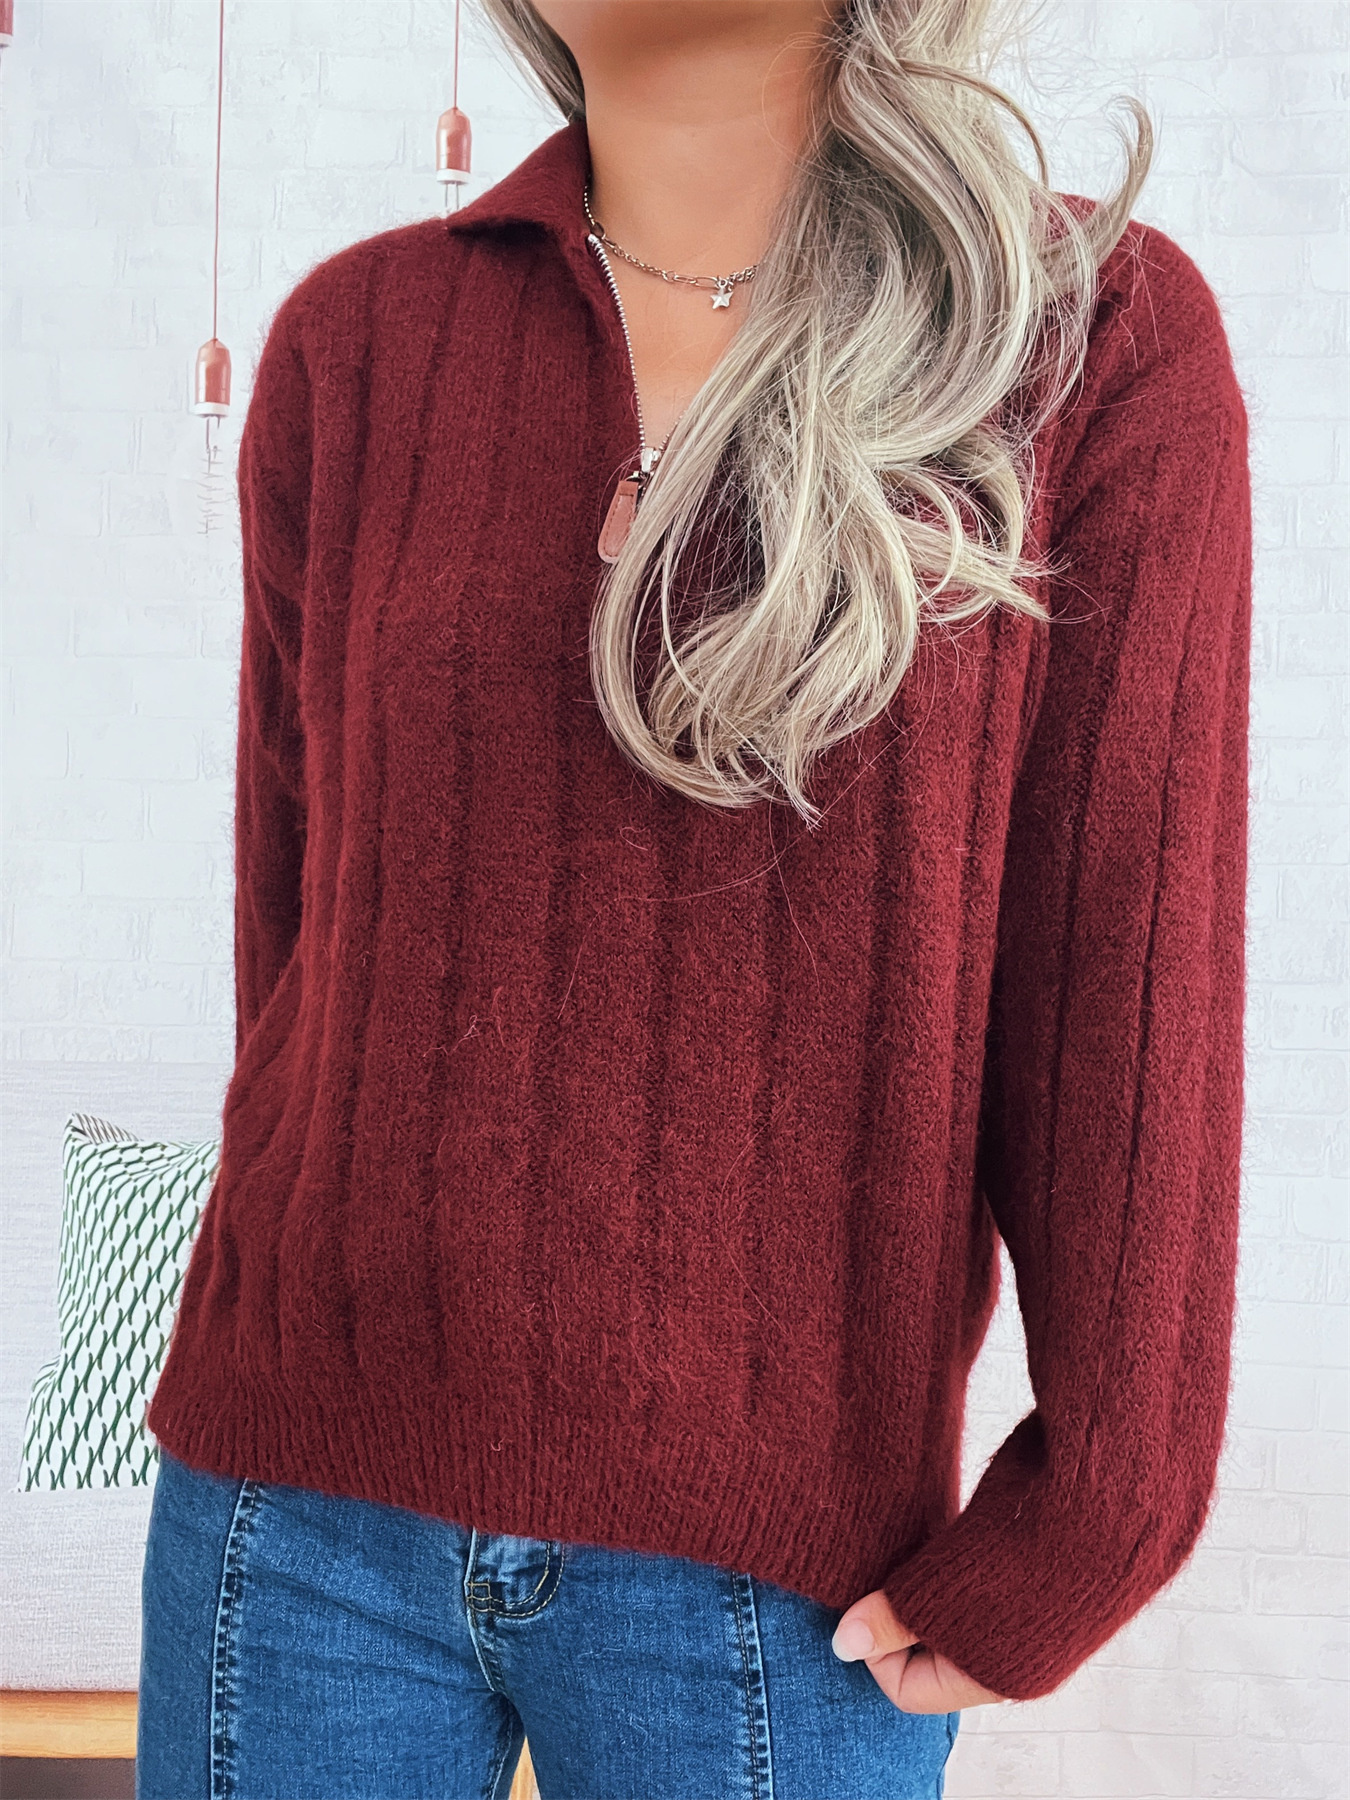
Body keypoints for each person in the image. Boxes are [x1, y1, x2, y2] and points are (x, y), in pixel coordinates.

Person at [136, 1, 1253, 1796]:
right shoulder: (358, 342)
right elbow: (302, 943)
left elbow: (1122, 958)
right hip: (292, 1514)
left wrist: (1106, 1495)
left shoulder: (1072, 334)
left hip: (777, 1572)